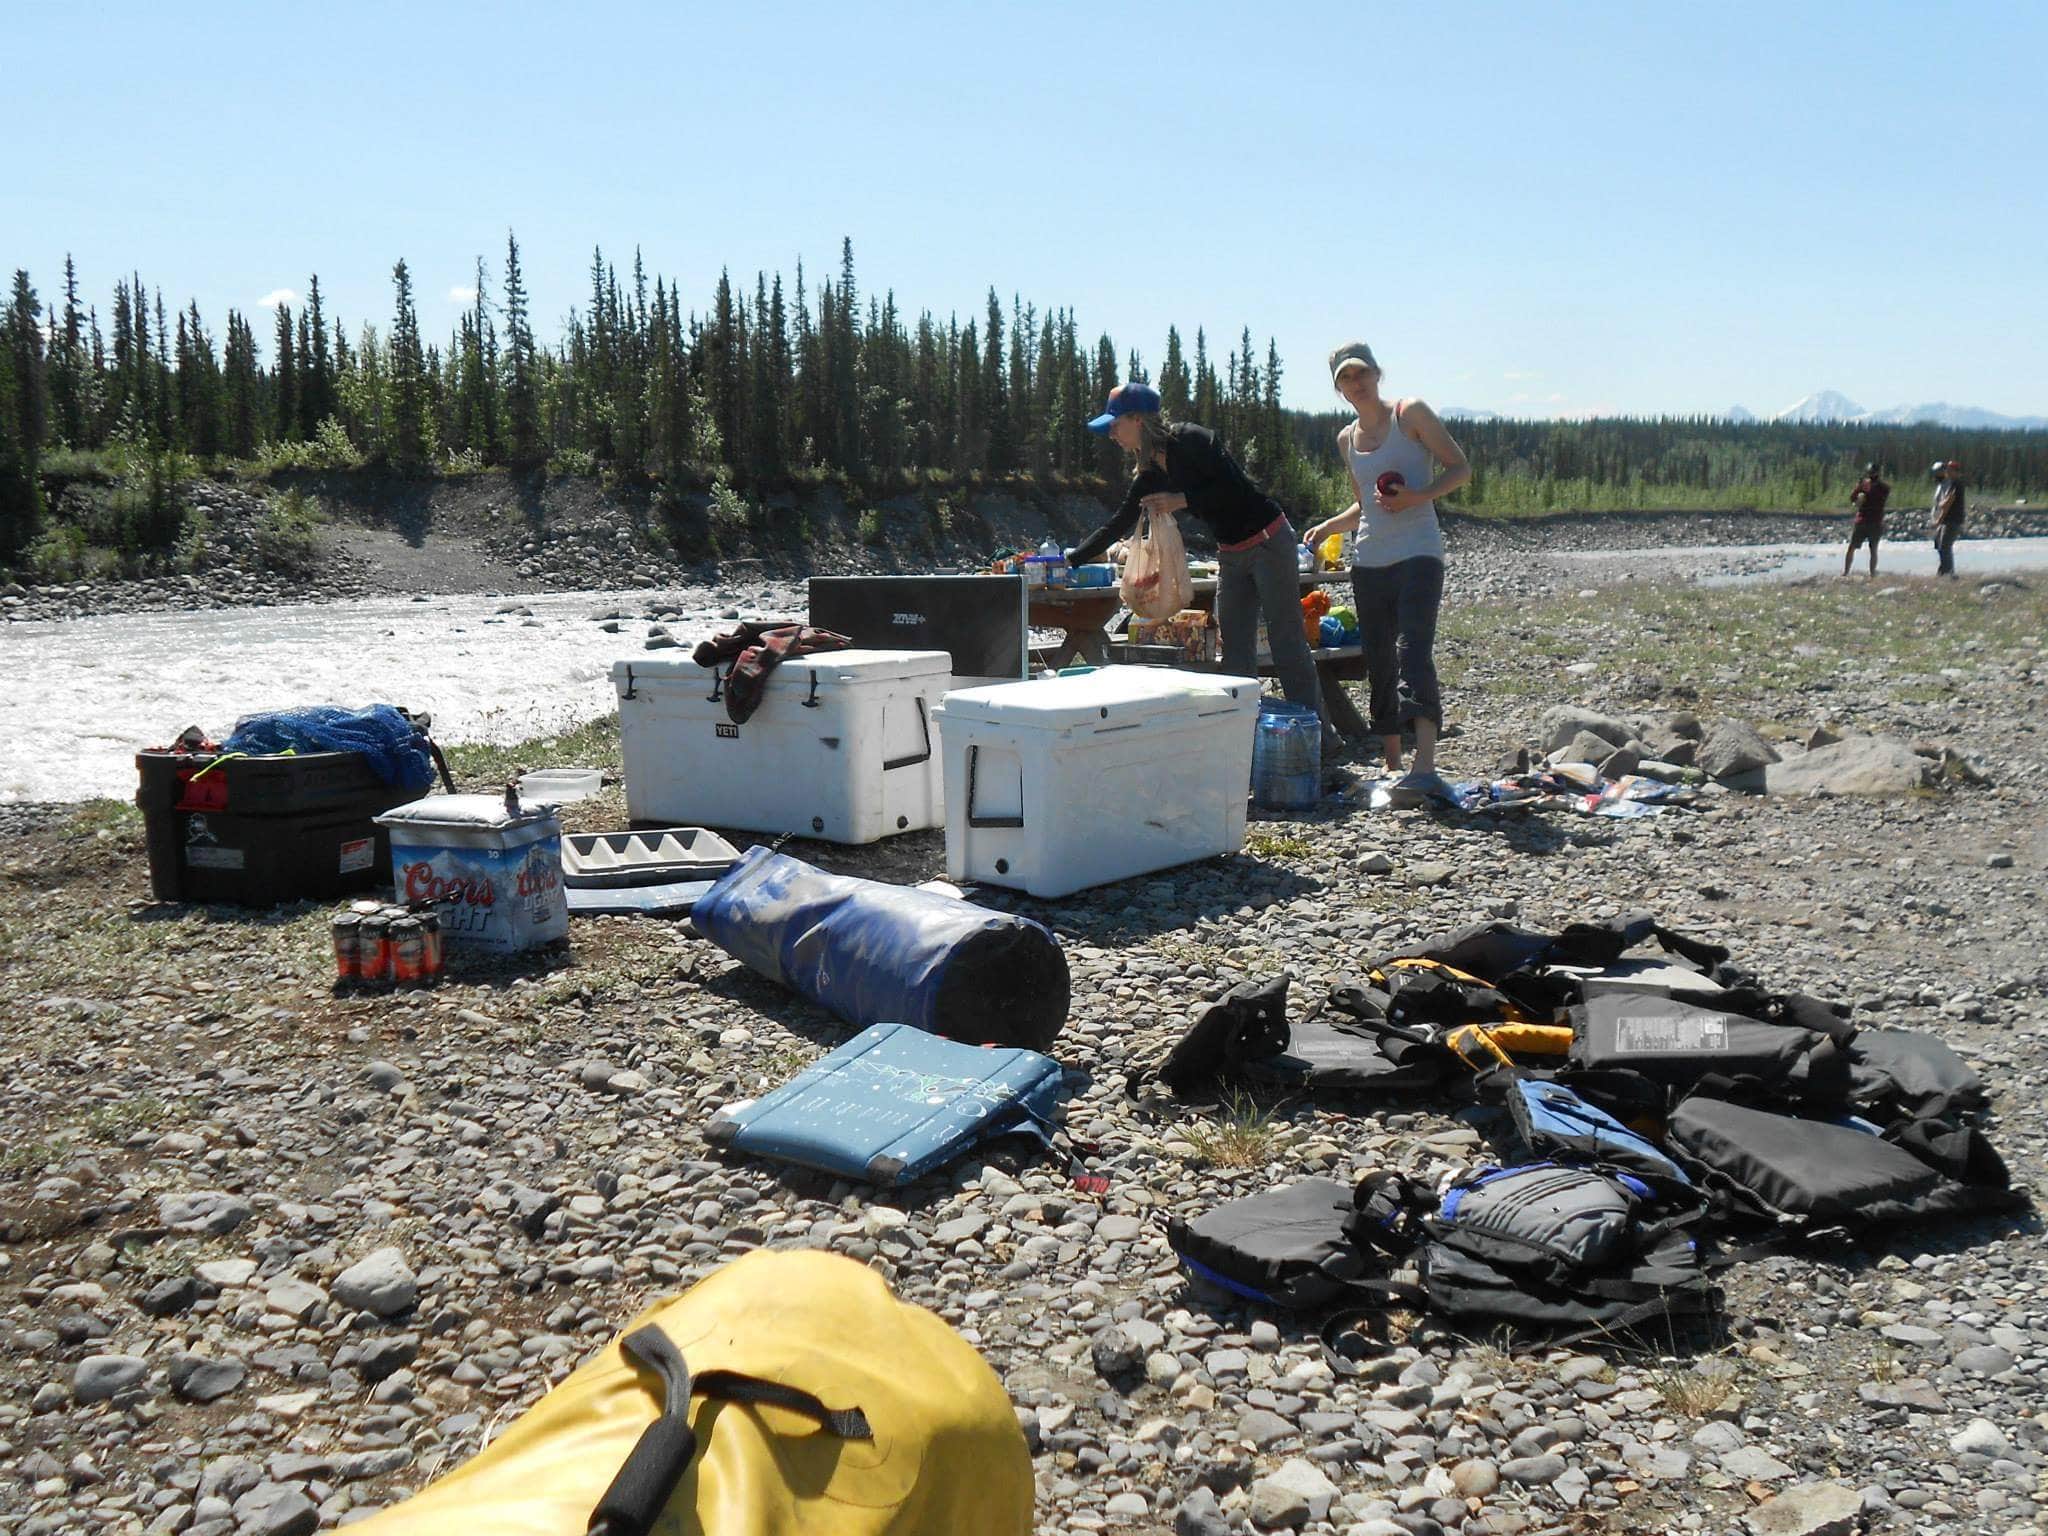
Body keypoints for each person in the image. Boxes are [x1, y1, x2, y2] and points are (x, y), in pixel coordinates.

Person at [1065, 382, 1323, 716]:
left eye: (1114, 425)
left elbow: (1237, 490)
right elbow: (1116, 524)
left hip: (1268, 540)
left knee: (1286, 641)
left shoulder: (1192, 440)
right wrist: (1068, 561)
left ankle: (1317, 734)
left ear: (1137, 419)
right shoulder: (1150, 474)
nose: (1112, 434)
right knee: (1235, 649)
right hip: (1230, 553)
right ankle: (1243, 734)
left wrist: (1181, 500)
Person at [1302, 342, 1470, 801]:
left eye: (1362, 374)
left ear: (1377, 373)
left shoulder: (1409, 414)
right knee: (1379, 658)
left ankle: (1426, 764)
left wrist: (1418, 497)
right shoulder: (1346, 439)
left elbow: (1460, 468)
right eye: (1345, 378)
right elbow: (1366, 506)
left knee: (1413, 650)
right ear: (1338, 388)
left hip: (1419, 552)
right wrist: (1330, 526)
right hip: (1370, 559)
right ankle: (1393, 763)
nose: (1356, 384)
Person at [1844, 462, 1890, 577]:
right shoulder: (1864, 485)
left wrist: (1866, 488)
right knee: (1854, 547)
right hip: (1864, 520)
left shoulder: (1882, 487)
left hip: (1873, 521)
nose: (1872, 475)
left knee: (1872, 549)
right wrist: (1859, 492)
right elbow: (1852, 498)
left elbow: (1882, 494)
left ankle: (1871, 573)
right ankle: (1847, 572)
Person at [1933, 460, 1966, 577]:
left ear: (1955, 471)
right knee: (1941, 546)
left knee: (1945, 546)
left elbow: (1947, 503)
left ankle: (1949, 573)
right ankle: (1943, 571)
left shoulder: (1957, 484)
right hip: (1948, 520)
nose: (1947, 472)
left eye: (1949, 470)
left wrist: (1939, 518)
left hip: (1952, 520)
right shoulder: (1952, 483)